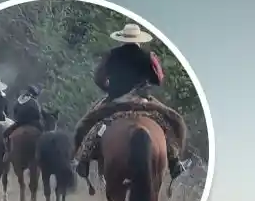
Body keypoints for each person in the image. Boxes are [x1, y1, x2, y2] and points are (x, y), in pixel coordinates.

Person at [72, 23, 187, 183]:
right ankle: (175, 161)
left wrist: (109, 89)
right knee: (173, 121)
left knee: (88, 124)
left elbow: (99, 78)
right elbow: (158, 80)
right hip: (143, 101)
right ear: (139, 39)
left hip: (116, 100)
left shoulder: (111, 55)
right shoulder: (148, 56)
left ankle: (81, 160)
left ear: (123, 38)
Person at [2, 84, 44, 157]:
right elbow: (38, 114)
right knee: (44, 134)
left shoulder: (19, 100)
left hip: (19, 123)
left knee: (5, 134)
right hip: (33, 123)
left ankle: (7, 152)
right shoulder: (34, 102)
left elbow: (15, 112)